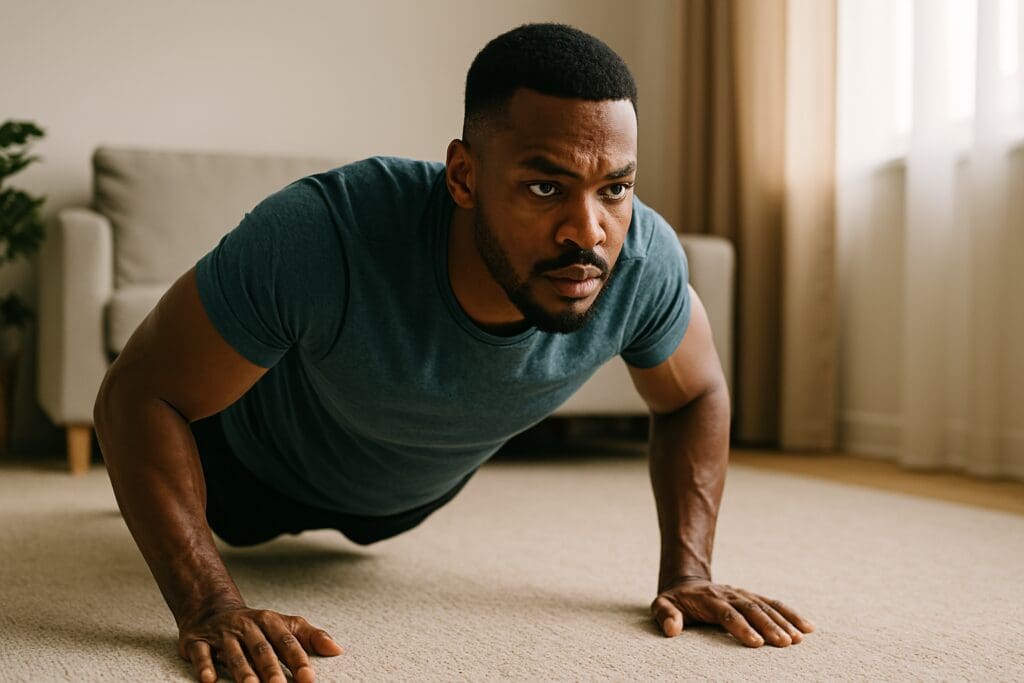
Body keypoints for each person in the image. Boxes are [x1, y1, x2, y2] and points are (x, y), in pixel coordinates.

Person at [94, 22, 814, 683]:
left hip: (405, 498)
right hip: (242, 471)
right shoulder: (322, 233)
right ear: (464, 176)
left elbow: (695, 391)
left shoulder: (645, 262)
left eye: (615, 188)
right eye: (544, 185)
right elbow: (135, 392)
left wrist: (688, 570)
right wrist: (208, 603)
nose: (588, 231)